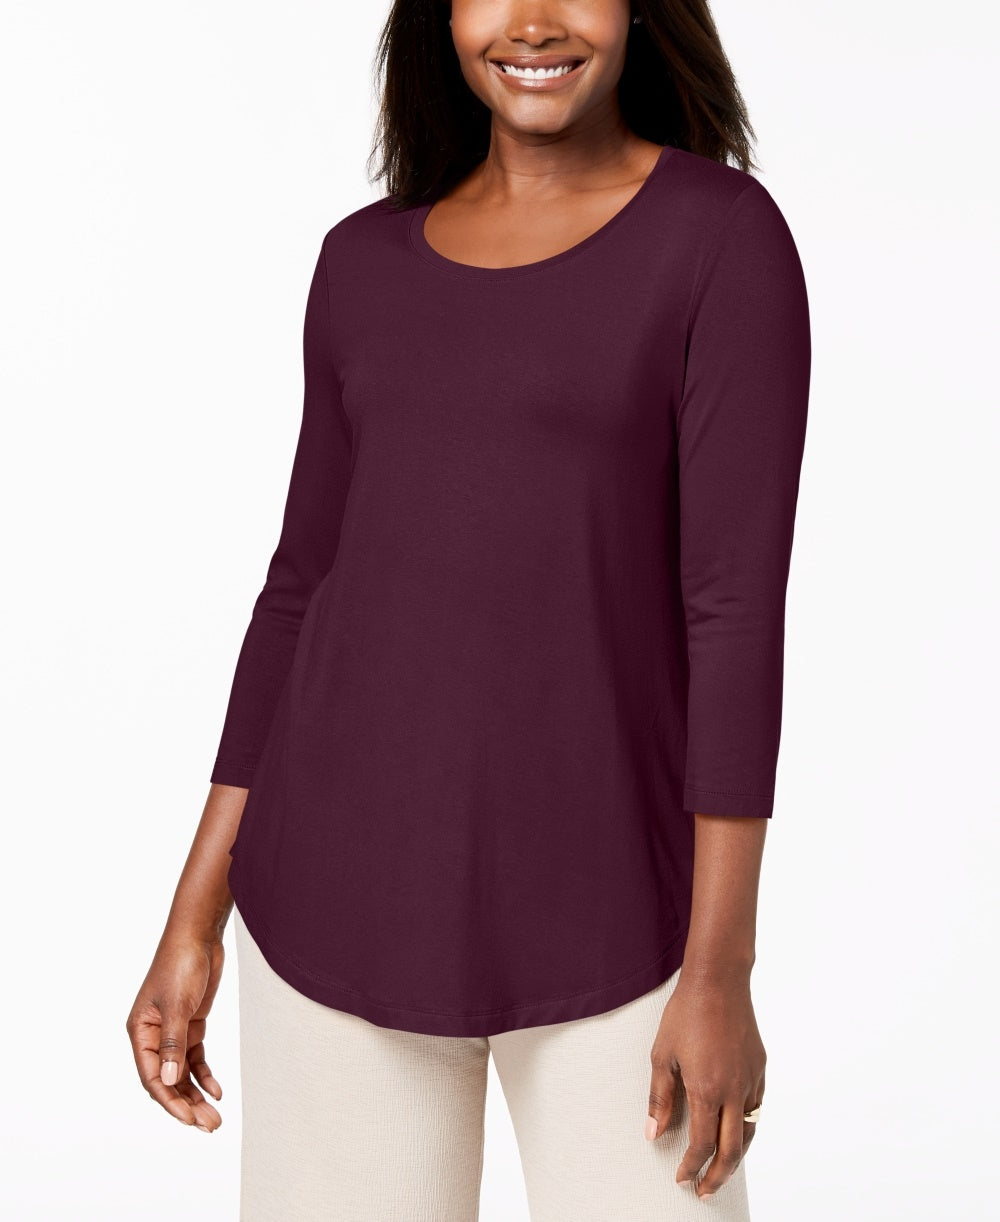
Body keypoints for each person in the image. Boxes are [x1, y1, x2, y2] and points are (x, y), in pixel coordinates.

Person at [126, 1, 811, 1217]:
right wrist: (195, 916)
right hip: (334, 896)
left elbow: (733, 613)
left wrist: (720, 967)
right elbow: (301, 589)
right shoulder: (360, 262)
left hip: (620, 914)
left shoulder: (718, 238)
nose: (532, 22)